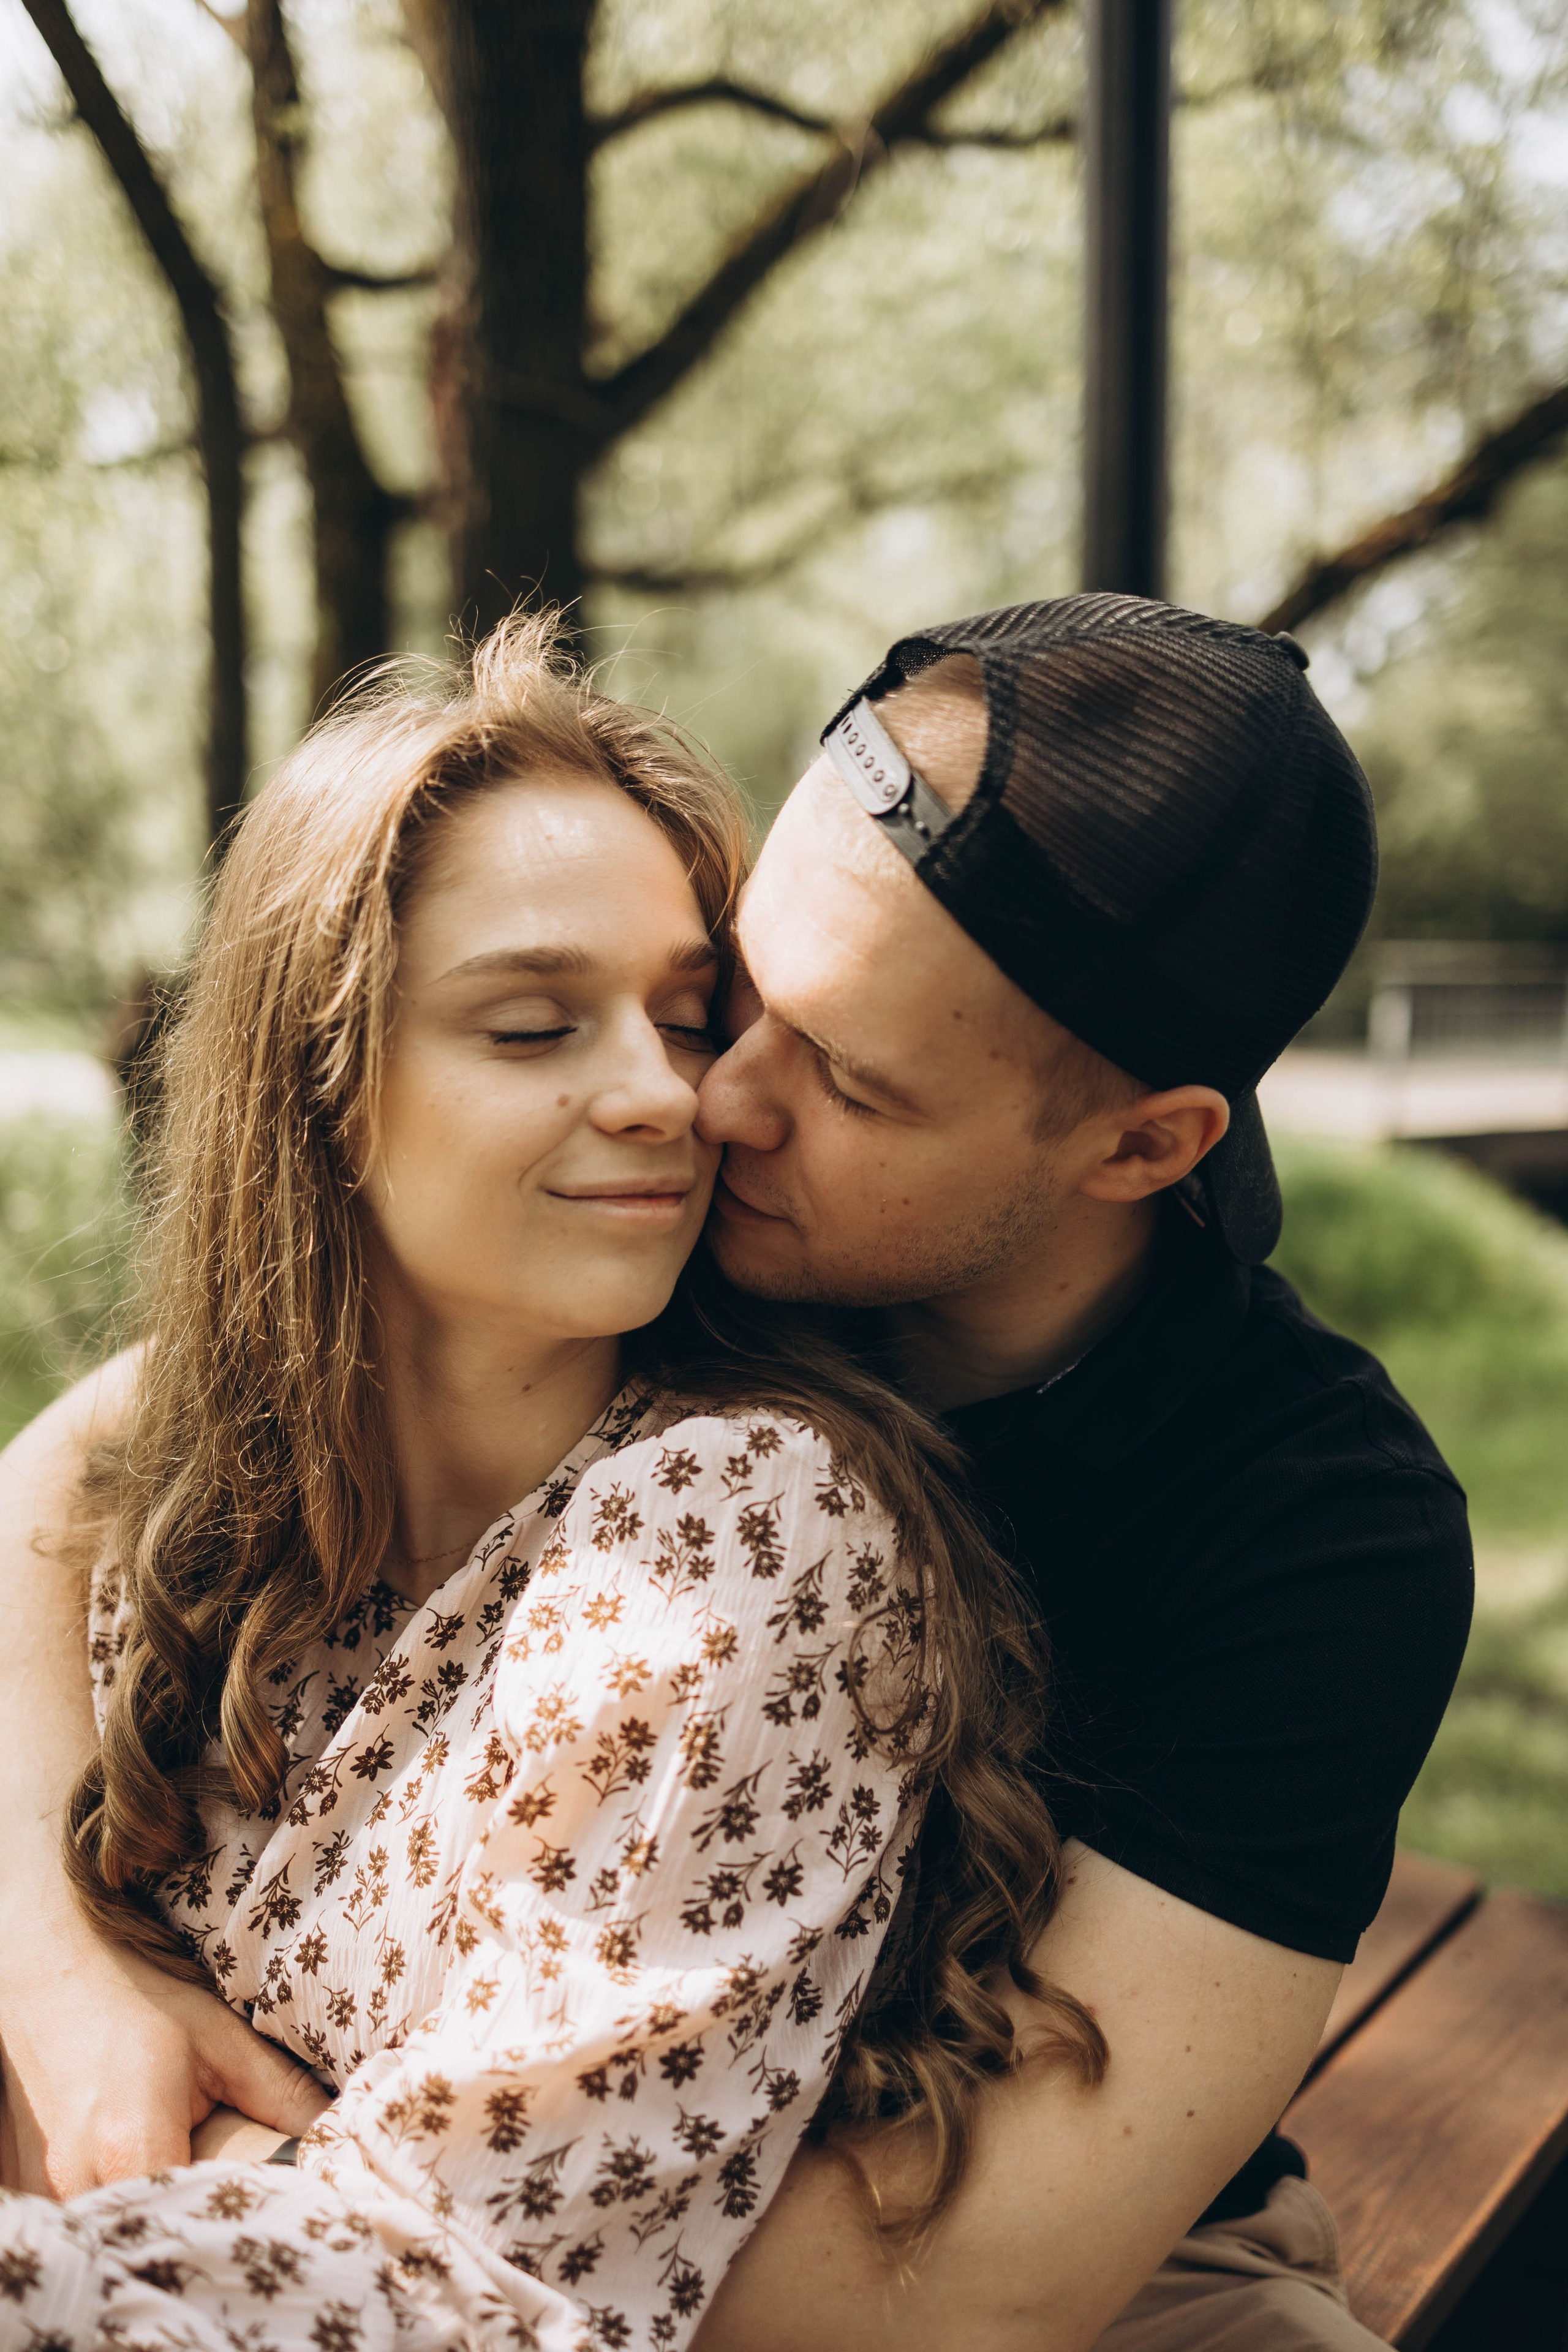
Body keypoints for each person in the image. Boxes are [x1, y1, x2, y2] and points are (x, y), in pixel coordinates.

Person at [0, 596, 1472, 2352]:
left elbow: (987, 2293)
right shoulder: (647, 1215)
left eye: (843, 1073)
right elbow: (74, 1471)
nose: (714, 1099)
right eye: (741, 995)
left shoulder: (1311, 1516)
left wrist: (296, 2201)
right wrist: (63, 1981)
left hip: (987, 2251)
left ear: (1140, 1146)